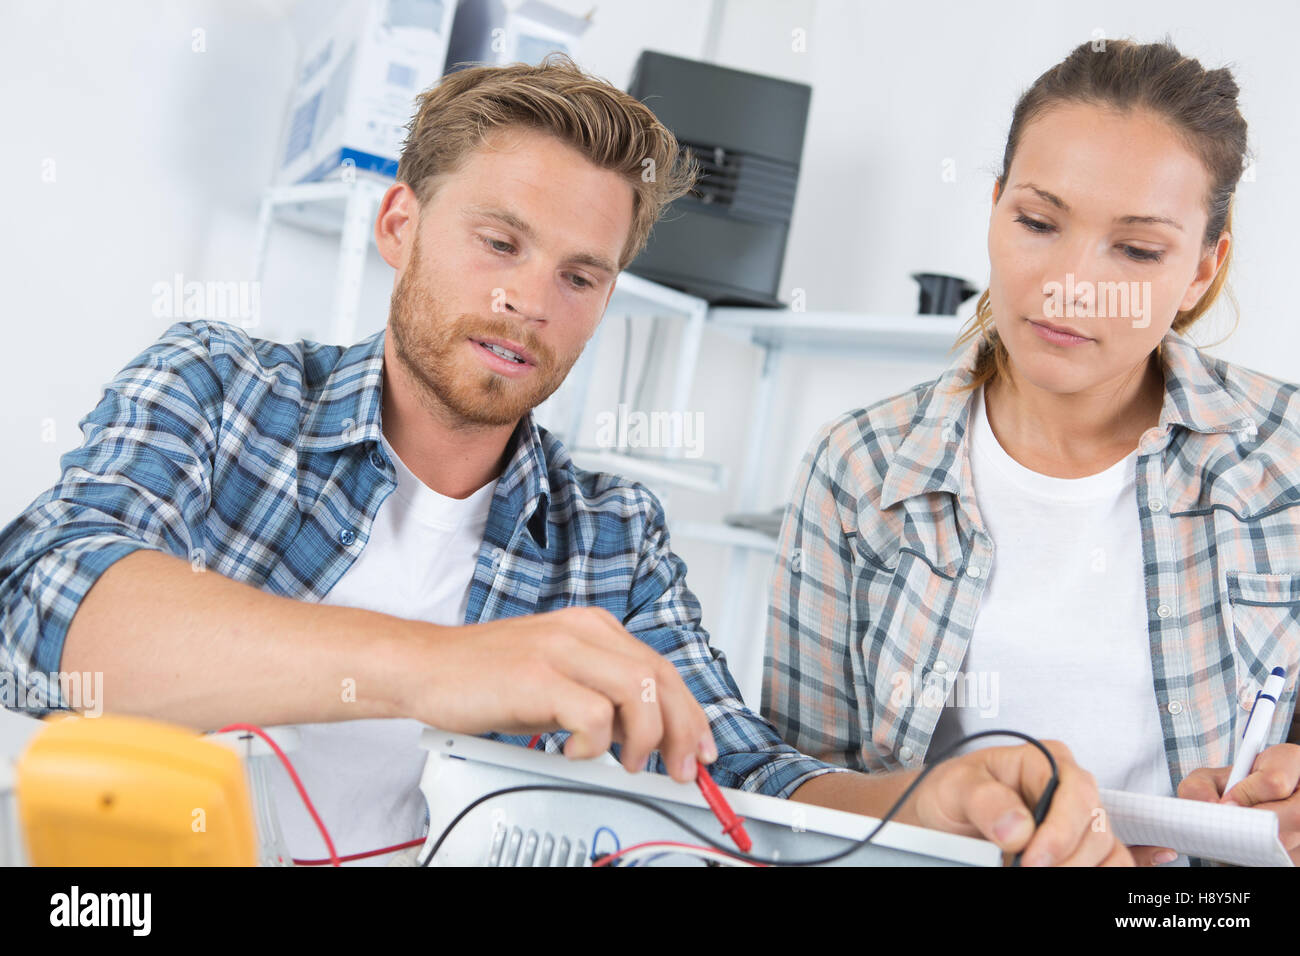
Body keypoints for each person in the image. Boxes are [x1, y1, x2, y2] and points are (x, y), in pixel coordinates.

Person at [0, 55, 1124, 866]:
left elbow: (745, 774)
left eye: (581, 275)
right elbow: (49, 608)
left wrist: (921, 805)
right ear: (400, 223)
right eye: (499, 241)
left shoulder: (610, 535)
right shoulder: (221, 387)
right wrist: (434, 665)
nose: (527, 300)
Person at [763, 37, 1300, 867]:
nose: (1071, 285)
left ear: (1201, 269)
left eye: (1137, 249)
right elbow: (790, 791)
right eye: (1039, 222)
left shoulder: (1284, 461)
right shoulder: (858, 466)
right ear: (993, 209)